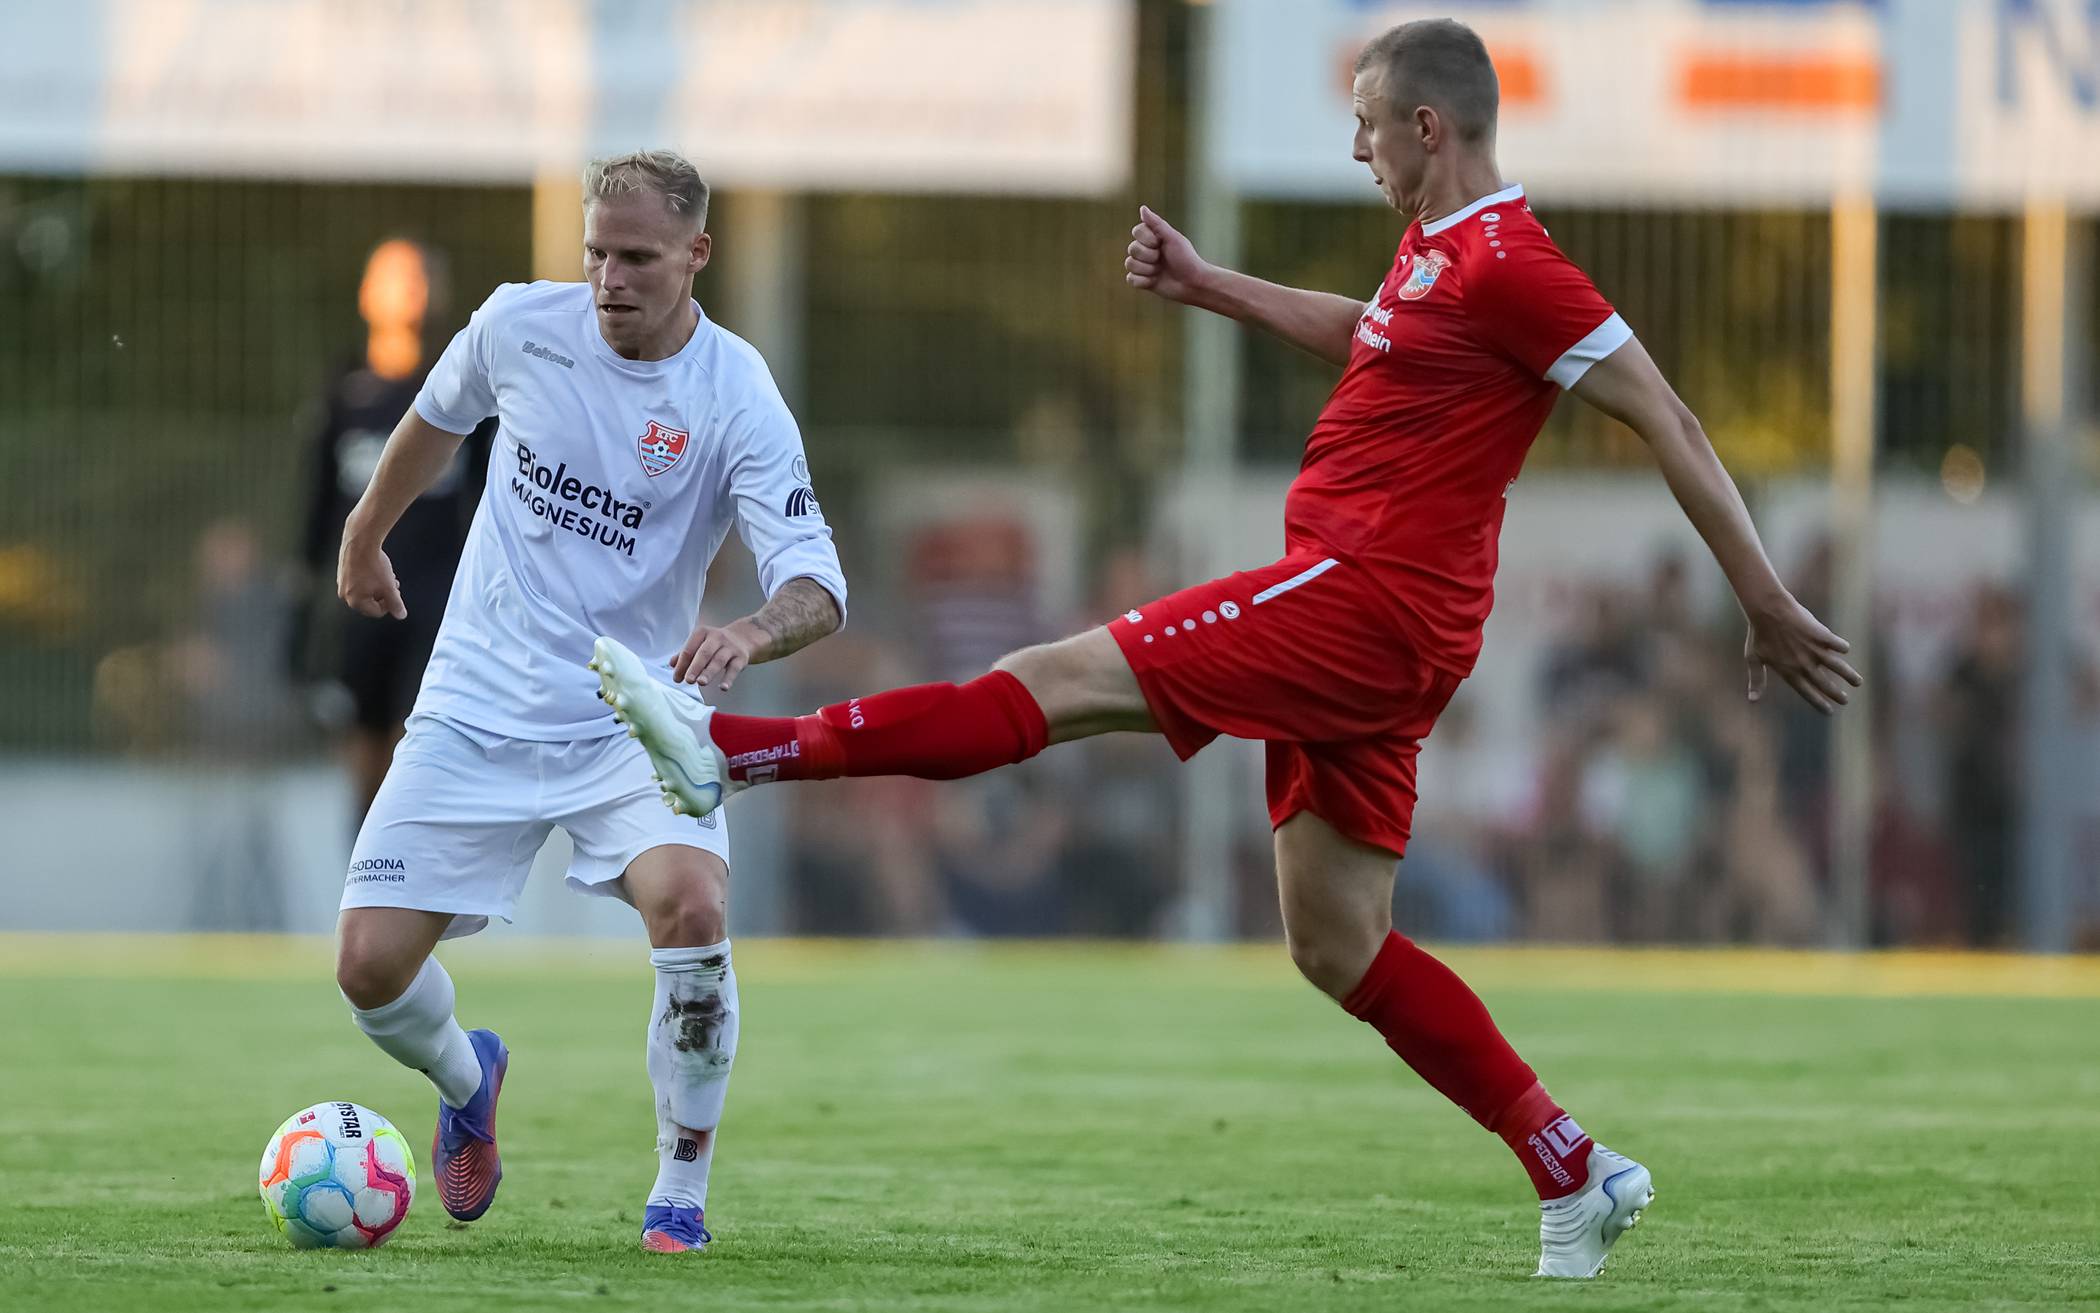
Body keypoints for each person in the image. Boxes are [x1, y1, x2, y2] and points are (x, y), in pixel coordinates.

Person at [592, 20, 1860, 1279]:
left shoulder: (1512, 263)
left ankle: (730, 750)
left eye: (1368, 125)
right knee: (1337, 938)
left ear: (1426, 127)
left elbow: (1670, 416)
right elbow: (1370, 335)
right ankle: (1570, 1164)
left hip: (1362, 601)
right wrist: (1211, 286)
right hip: (1388, 626)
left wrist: (1762, 599)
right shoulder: (1437, 251)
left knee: (1053, 681)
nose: (1356, 148)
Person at [331, 151, 847, 1254]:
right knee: (367, 969)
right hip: (475, 702)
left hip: (633, 719)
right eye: (597, 252)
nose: (610, 278)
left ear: (697, 254)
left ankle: (680, 1193)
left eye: (639, 257)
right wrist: (365, 533)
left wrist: (749, 632)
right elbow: (435, 417)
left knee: (692, 909)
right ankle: (468, 1078)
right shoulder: (520, 324)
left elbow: (818, 582)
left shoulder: (735, 390)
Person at [294, 239, 495, 820]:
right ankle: (364, 860)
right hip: (358, 604)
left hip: (433, 598)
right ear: (366, 292)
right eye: (395, 275)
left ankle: (407, 856)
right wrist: (299, 606)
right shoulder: (344, 392)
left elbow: (486, 498)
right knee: (364, 747)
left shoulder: (456, 389)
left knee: (418, 743)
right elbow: (316, 504)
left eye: (421, 276)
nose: (411, 288)